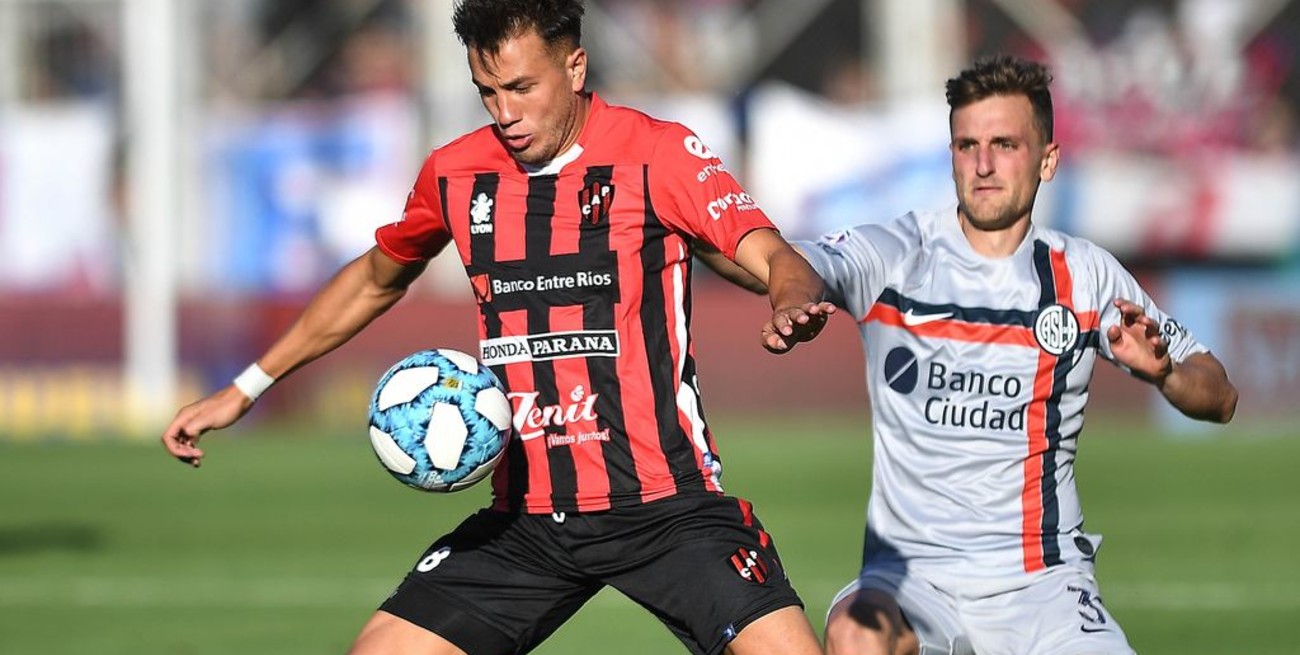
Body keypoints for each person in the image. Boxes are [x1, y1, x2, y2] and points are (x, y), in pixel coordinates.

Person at [160, 1, 835, 654]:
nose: (505, 113)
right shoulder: (456, 173)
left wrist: (790, 300)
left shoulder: (658, 153)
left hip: (667, 507)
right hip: (527, 519)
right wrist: (245, 388)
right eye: (488, 92)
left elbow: (774, 258)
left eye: (521, 88)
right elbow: (374, 278)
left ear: (574, 67)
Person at [785, 55, 1238, 655]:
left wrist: (1168, 374)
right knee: (856, 633)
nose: (983, 164)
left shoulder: (1086, 275)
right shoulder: (899, 252)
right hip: (913, 579)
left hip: (1043, 585)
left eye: (1004, 144)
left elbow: (1220, 395)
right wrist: (791, 294)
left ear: (1047, 160)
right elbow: (796, 261)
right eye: (967, 145)